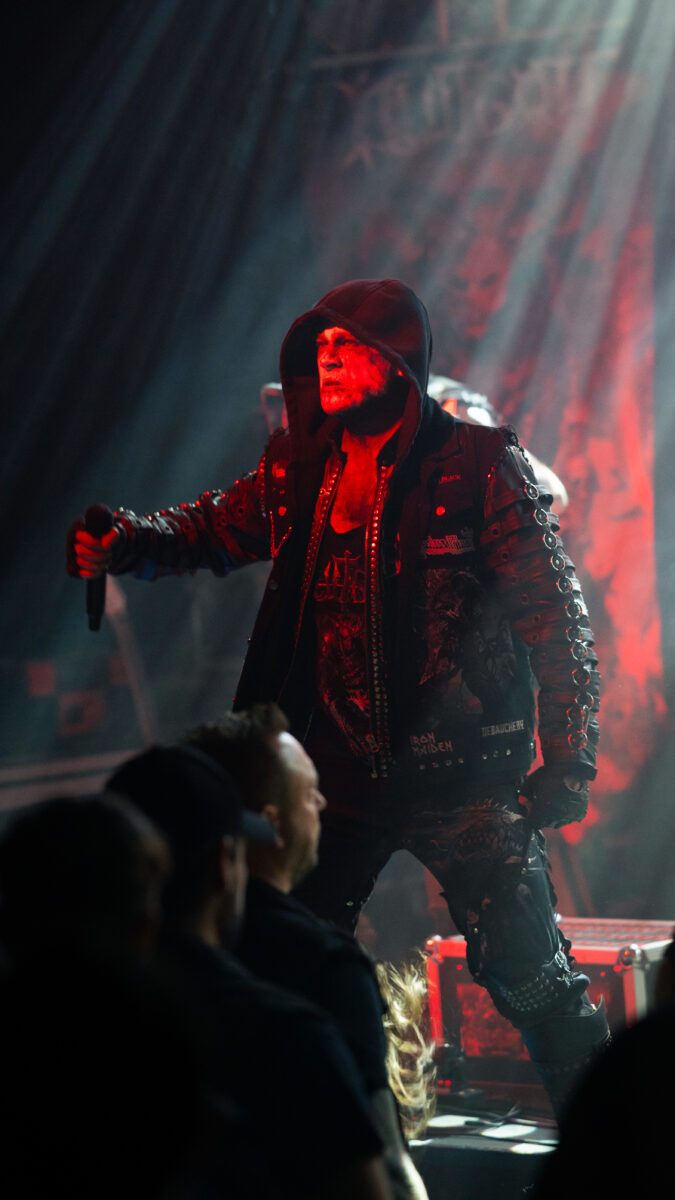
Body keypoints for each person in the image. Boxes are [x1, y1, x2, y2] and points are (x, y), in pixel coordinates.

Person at [69, 277, 608, 1113]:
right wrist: (129, 541)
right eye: (319, 346)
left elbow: (552, 611)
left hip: (464, 778)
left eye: (346, 347)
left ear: (394, 362)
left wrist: (569, 760)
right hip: (336, 775)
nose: (326, 359)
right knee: (291, 962)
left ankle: (618, 1145)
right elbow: (216, 527)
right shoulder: (300, 462)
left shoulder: (478, 462)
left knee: (531, 977)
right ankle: (329, 1145)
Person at [108, 742, 393, 1200]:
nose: (322, 803)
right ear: (225, 863)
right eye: (310, 793)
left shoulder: (50, 1023)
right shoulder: (292, 1034)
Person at [184, 702, 429, 1199]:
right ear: (270, 823)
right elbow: (386, 1169)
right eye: (309, 792)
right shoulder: (329, 967)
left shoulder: (166, 943)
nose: (322, 803)